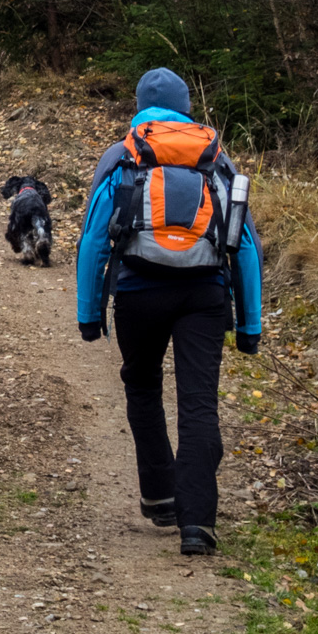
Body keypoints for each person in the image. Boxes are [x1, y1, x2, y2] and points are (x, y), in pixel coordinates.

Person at [75, 66, 263, 556]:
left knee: (142, 384)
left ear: (139, 104)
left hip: (139, 289)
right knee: (199, 402)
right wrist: (250, 323)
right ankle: (198, 523)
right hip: (204, 293)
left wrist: (90, 313)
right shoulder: (214, 156)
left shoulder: (124, 152)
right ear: (186, 105)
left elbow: (95, 236)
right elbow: (243, 243)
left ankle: (160, 495)